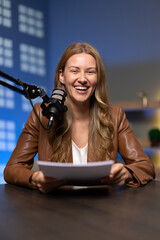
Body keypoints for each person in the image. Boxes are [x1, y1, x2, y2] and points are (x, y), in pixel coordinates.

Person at [4, 42, 155, 193]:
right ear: (62, 75)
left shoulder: (115, 116)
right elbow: (12, 169)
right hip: (55, 209)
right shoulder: (41, 114)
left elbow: (145, 166)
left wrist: (126, 173)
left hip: (103, 209)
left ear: (98, 78)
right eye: (75, 71)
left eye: (90, 72)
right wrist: (35, 178)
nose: (82, 79)